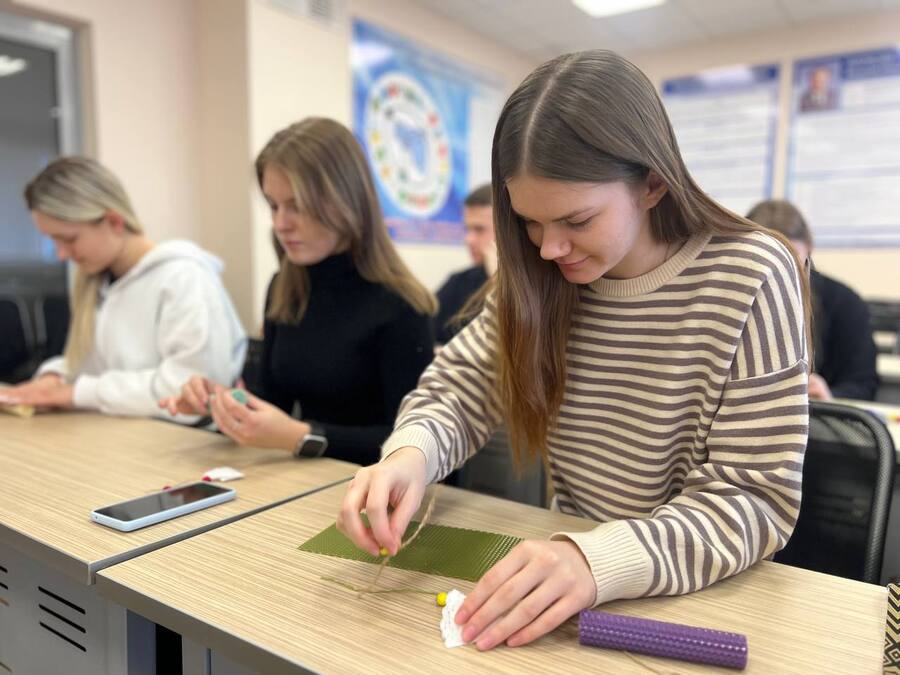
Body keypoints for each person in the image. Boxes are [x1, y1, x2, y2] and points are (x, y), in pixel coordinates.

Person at [337, 50, 811, 651]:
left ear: (653, 183)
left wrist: (595, 561)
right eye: (530, 223)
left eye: (576, 220)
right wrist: (408, 456)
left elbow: (755, 499)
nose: (548, 249)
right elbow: (458, 390)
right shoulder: (538, 275)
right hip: (568, 576)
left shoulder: (751, 272)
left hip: (696, 594)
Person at [161, 118, 437, 465]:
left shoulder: (401, 305)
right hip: (301, 480)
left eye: (298, 206)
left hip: (374, 495)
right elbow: (269, 403)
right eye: (274, 205)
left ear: (346, 201)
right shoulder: (285, 287)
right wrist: (220, 402)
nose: (280, 224)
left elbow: (415, 443)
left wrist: (301, 435)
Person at [0, 157, 246, 419]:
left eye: (69, 239)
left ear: (114, 222)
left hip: (181, 440)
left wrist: (72, 394)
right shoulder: (102, 282)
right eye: (53, 241)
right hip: (121, 433)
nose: (61, 254)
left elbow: (190, 391)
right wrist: (55, 376)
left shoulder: (184, 277)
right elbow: (94, 366)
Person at [747, 199, 878, 400]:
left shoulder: (845, 303)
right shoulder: (731, 304)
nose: (781, 274)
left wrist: (830, 395)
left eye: (791, 259)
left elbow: (863, 384)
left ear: (809, 248)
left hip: (821, 422)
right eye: (765, 262)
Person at [433, 184, 495, 343]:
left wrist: (497, 280)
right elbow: (424, 337)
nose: (469, 239)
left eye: (479, 229)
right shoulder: (458, 282)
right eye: (467, 229)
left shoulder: (534, 286)